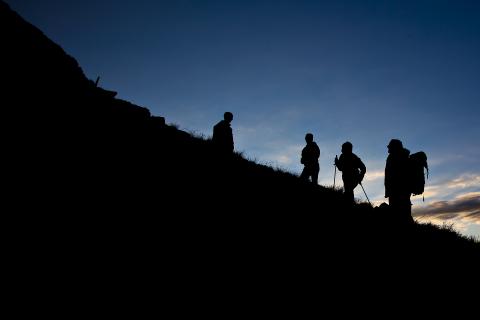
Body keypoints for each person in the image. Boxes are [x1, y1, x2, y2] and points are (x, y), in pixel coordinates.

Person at [384, 139, 413, 223]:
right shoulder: (405, 156)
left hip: (396, 190)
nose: (388, 149)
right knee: (405, 212)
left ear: (394, 147)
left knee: (396, 213)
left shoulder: (393, 157)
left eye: (389, 147)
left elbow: (390, 175)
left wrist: (389, 190)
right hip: (405, 189)